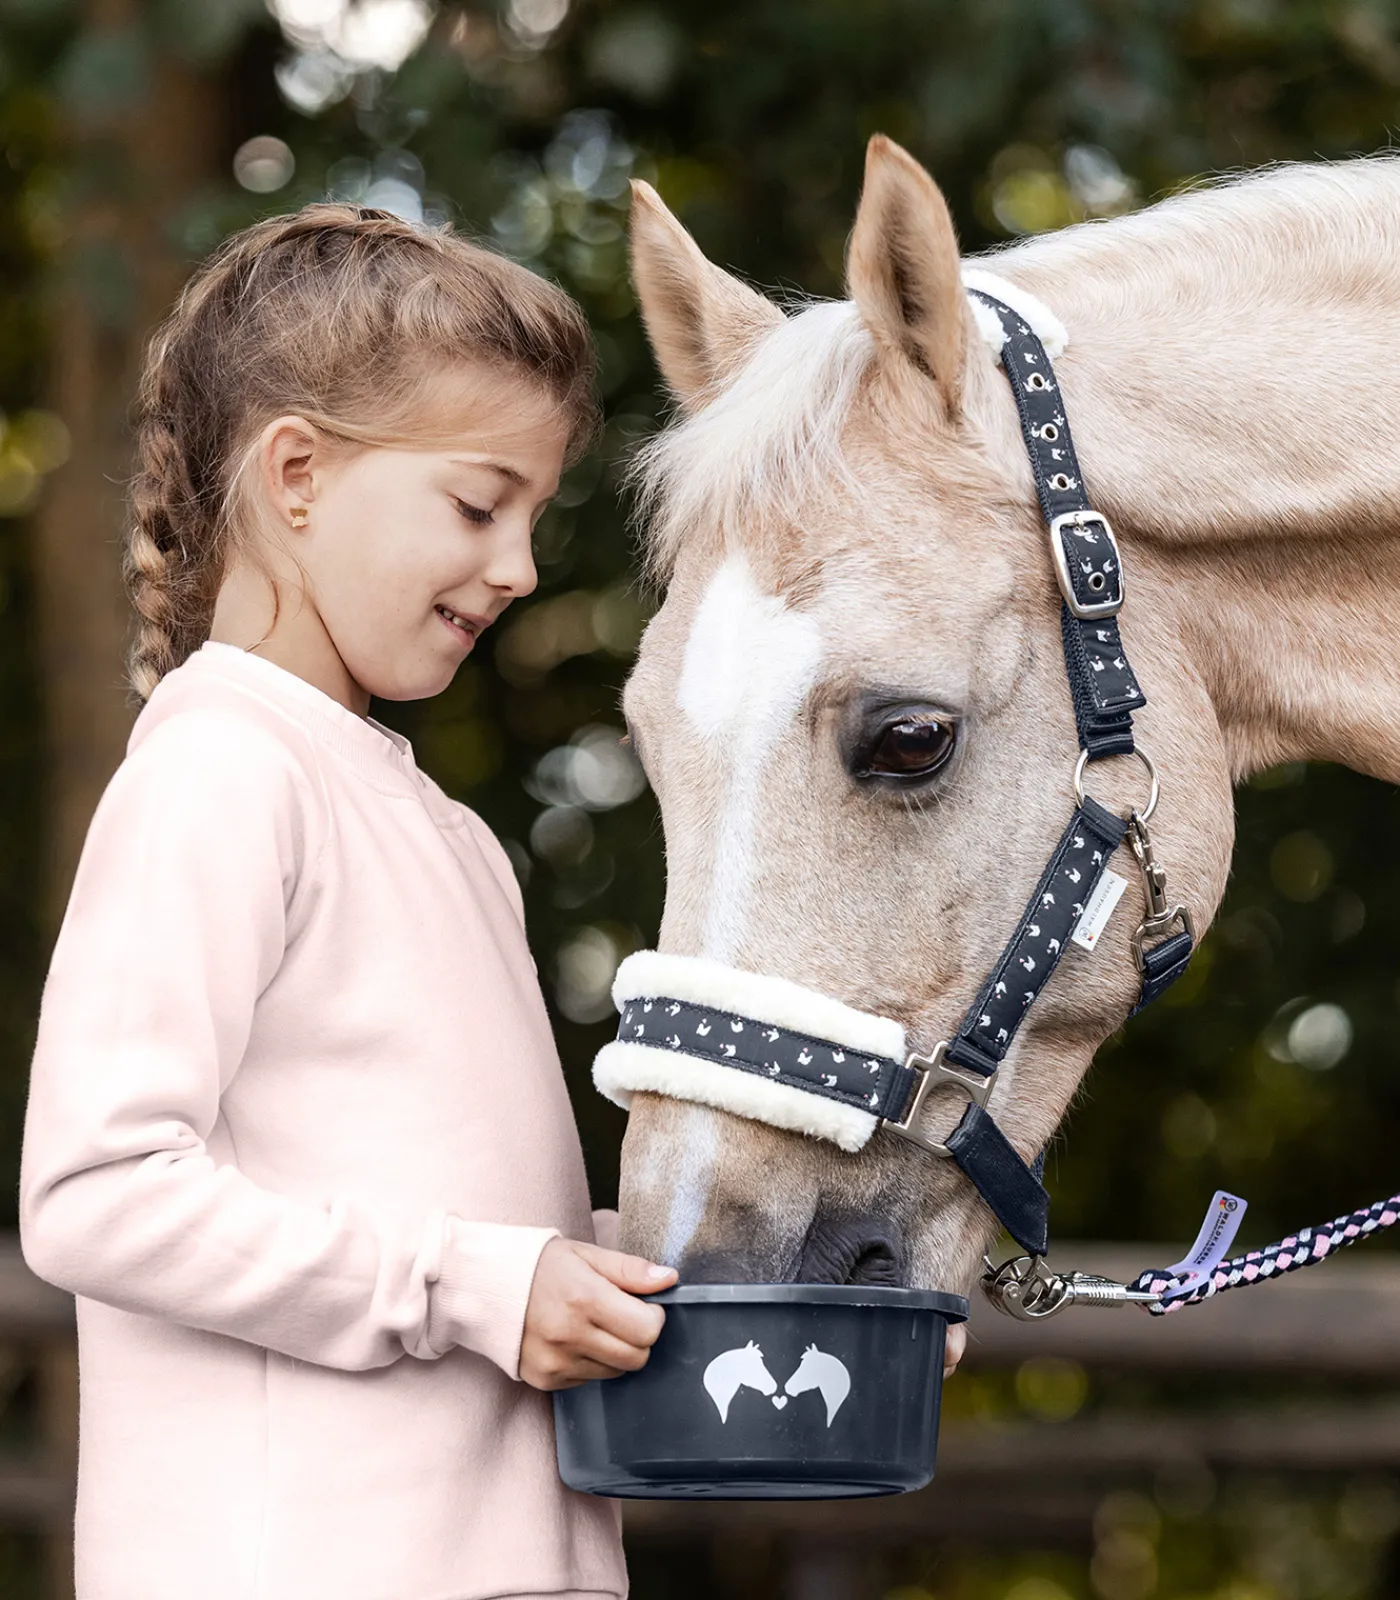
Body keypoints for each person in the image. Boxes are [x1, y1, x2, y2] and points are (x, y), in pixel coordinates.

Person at [18, 204, 676, 1600]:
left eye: (534, 518)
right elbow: (94, 1194)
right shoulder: (220, 770)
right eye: (478, 504)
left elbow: (497, 1237)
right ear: (298, 474)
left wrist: (793, 1285)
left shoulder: (448, 835)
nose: (519, 567)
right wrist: (470, 1287)